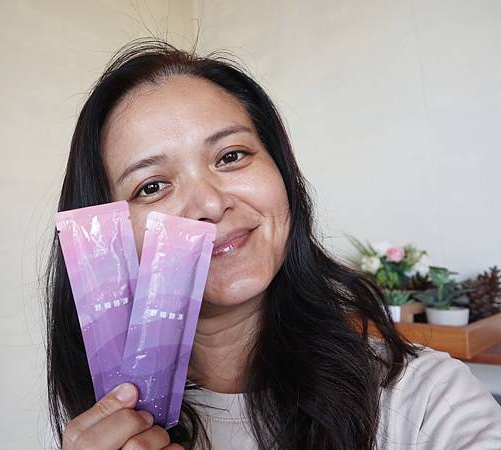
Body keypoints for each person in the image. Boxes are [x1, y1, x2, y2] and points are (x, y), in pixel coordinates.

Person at [44, 38, 501, 450]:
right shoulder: (106, 433)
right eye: (151, 186)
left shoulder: (426, 401)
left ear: (282, 172)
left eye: (231, 156)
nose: (210, 204)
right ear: (106, 239)